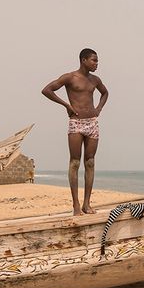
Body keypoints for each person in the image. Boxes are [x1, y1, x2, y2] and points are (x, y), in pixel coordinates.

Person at [42, 48, 109, 215]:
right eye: (94, 60)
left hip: (92, 122)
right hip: (76, 123)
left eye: (97, 61)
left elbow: (105, 93)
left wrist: (99, 108)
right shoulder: (70, 77)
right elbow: (47, 90)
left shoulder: (95, 80)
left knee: (90, 162)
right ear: (83, 60)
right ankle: (76, 205)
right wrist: (67, 105)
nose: (96, 64)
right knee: (75, 162)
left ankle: (87, 204)